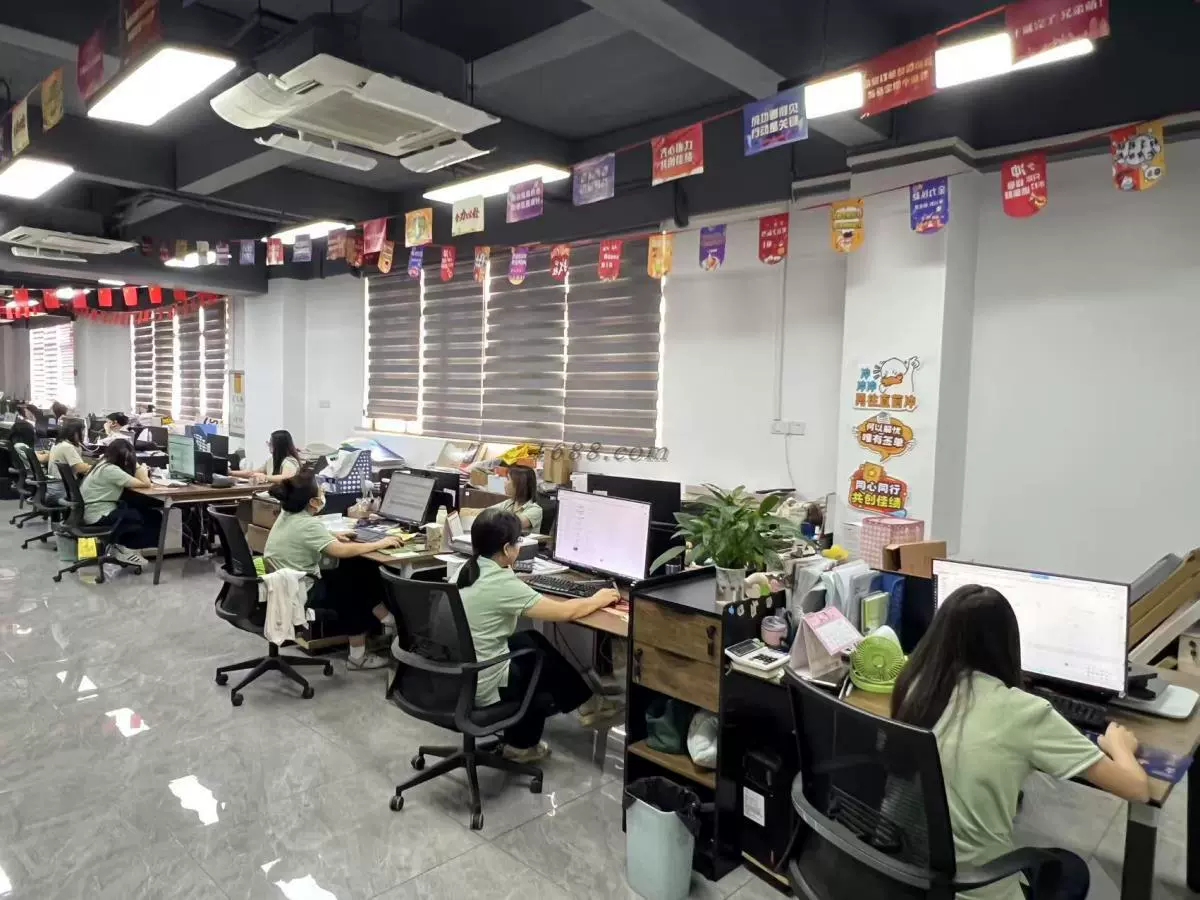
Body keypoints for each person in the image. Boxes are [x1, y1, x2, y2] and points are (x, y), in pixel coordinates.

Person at [892, 585, 1150, 900]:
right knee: (1071, 869)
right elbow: (1137, 789)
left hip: (902, 877)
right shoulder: (1024, 712)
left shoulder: (914, 686)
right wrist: (1120, 746)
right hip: (976, 892)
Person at [454, 509, 621, 763]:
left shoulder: (467, 570)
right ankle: (521, 747)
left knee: (530, 640)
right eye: (518, 541)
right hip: (483, 682)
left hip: (458, 672)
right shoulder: (501, 583)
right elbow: (565, 612)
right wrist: (598, 598)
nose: (519, 545)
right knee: (538, 662)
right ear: (507, 549)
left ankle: (588, 704)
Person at [263, 471, 403, 670]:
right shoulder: (308, 524)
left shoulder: (288, 515)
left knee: (354, 568)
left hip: (284, 583)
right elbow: (341, 551)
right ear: (313, 502)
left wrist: (330, 535)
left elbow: (304, 533)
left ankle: (384, 619)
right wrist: (380, 542)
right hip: (301, 588)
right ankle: (360, 654)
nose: (323, 494)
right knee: (351, 587)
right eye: (321, 492)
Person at [79, 440, 158, 566]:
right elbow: (145, 483)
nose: (126, 463)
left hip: (90, 512)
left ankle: (120, 547)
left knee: (138, 509)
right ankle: (125, 549)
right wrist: (140, 467)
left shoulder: (102, 464)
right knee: (149, 516)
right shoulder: (111, 470)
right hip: (99, 515)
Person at [45, 419, 91, 504]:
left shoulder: (58, 444)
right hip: (63, 490)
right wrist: (96, 466)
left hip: (54, 487)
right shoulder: (67, 447)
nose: (83, 435)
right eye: (82, 432)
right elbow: (80, 468)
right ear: (75, 433)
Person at [232, 429, 301, 484]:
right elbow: (252, 473)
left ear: (278, 445)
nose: (268, 444)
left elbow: (286, 478)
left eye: (271, 442)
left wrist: (265, 477)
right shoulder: (271, 460)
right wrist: (230, 473)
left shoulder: (289, 461)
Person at [489, 465, 542, 533]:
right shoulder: (509, 503)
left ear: (519, 485)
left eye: (508, 479)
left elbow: (514, 524)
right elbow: (486, 512)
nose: (505, 482)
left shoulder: (535, 510)